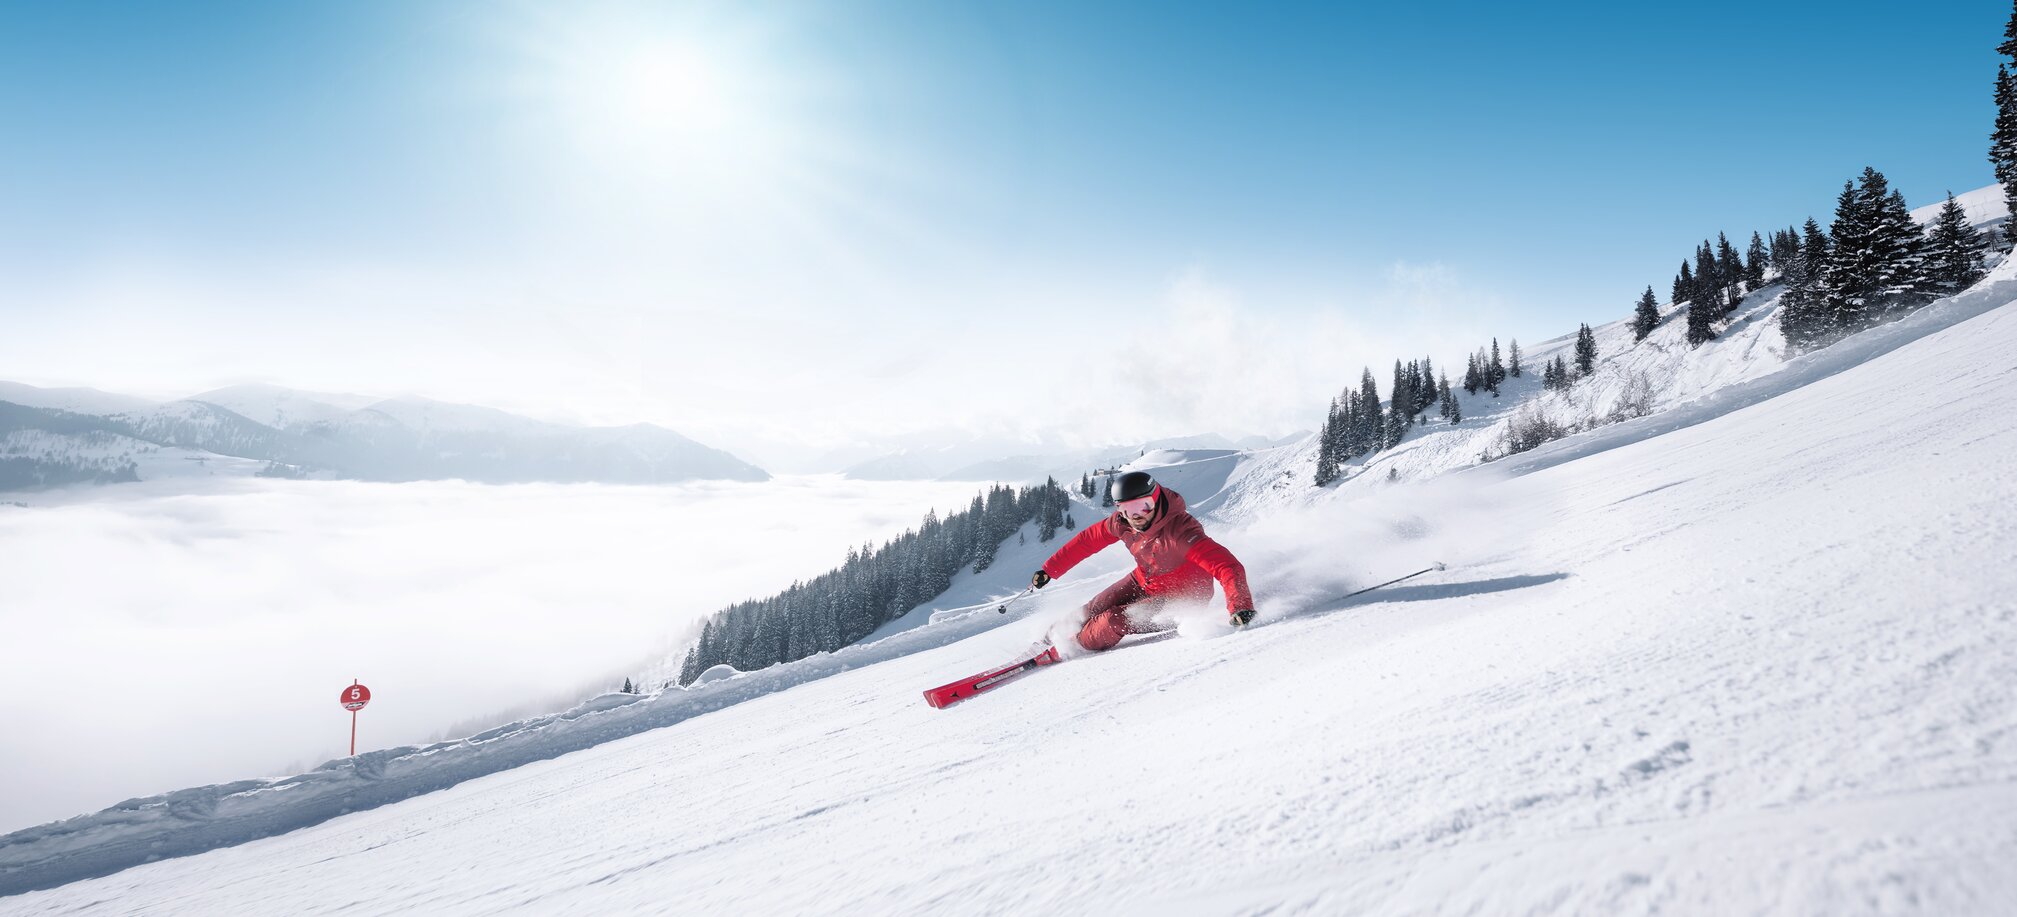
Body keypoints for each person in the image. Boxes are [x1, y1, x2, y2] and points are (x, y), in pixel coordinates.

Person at [1030, 471, 1256, 652]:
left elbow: (1226, 566)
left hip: (1180, 600)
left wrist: (1240, 607)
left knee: (1112, 621)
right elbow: (1086, 541)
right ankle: (1050, 636)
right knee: (1093, 608)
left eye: (1143, 505)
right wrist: (1050, 570)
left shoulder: (1180, 532)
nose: (1136, 515)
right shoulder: (1122, 523)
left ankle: (1070, 645)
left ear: (1156, 499)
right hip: (1144, 581)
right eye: (1127, 509)